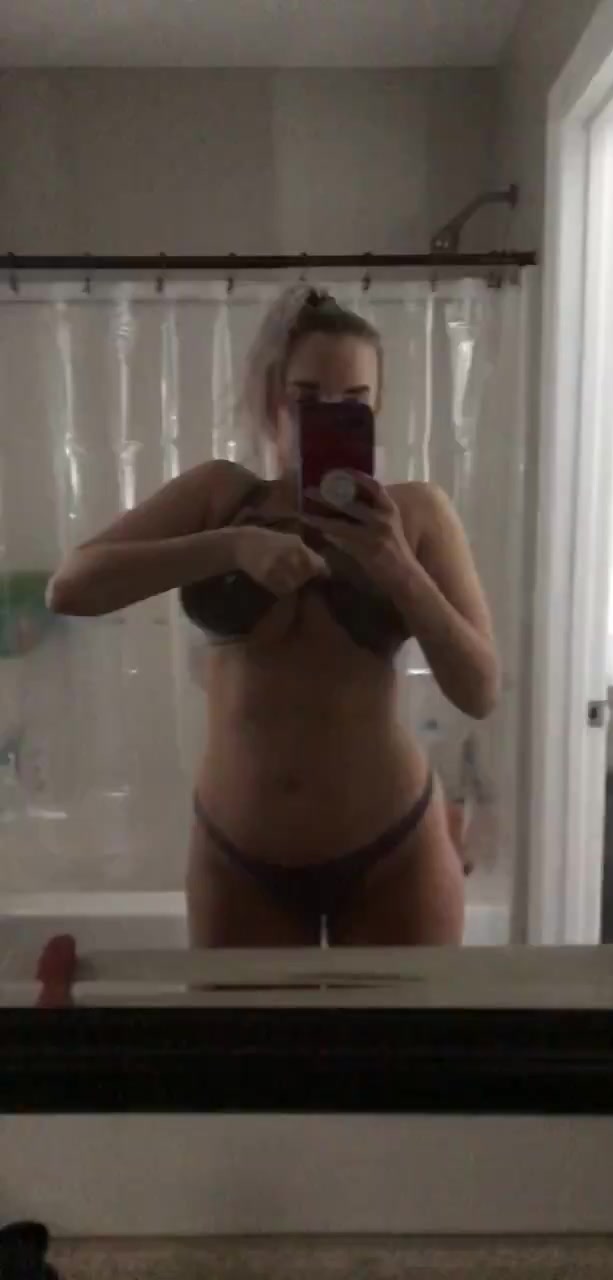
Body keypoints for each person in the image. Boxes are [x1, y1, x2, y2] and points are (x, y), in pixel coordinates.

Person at [47, 286, 499, 947]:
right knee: (248, 1023)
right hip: (239, 859)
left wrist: (397, 565)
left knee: (403, 1023)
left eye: (354, 401)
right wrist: (230, 547)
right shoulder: (220, 496)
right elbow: (71, 587)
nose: (328, 418)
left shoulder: (417, 514)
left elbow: (480, 689)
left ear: (377, 407)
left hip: (394, 849)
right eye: (307, 398)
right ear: (270, 401)